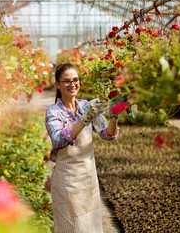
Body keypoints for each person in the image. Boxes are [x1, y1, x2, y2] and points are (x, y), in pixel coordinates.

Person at [45, 63, 119, 233]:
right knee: (73, 228)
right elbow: (58, 139)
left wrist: (114, 117)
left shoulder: (86, 105)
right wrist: (84, 119)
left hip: (89, 179)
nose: (73, 84)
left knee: (91, 227)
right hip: (68, 182)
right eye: (67, 81)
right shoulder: (54, 111)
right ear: (57, 84)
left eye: (76, 80)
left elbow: (107, 134)